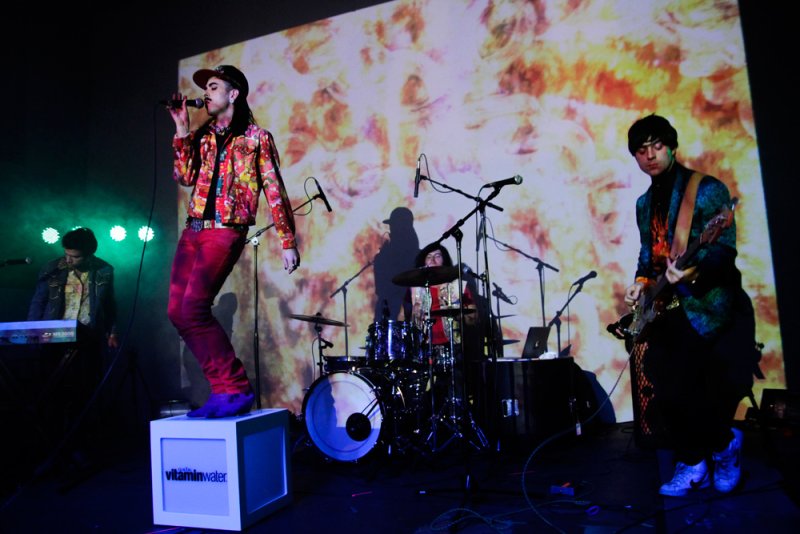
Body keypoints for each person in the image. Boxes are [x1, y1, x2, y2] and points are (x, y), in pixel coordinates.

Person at [623, 114, 758, 497]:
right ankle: (696, 461)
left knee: (698, 388)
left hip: (709, 307)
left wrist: (693, 272)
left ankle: (722, 448)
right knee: (662, 385)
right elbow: (648, 257)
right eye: (641, 150)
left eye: (657, 146)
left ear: (672, 147)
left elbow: (723, 253)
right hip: (666, 309)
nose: (650, 155)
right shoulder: (644, 203)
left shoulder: (706, 189)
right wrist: (640, 284)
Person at [167, 65, 300, 418]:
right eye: (206, 88)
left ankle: (234, 387)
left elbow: (274, 189)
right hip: (193, 230)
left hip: (225, 230)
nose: (206, 93)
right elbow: (184, 176)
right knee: (177, 311)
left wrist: (287, 240)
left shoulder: (257, 138)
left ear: (233, 93)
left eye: (213, 86)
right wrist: (181, 129)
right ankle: (224, 389)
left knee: (194, 308)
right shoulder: (203, 136)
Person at [28, 227, 118, 348]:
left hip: (88, 335)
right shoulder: (52, 268)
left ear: (89, 255)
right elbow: (39, 301)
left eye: (75, 257)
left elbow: (109, 304)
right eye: (66, 254)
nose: (68, 260)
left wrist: (113, 332)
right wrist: (32, 331)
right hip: (54, 333)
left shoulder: (104, 270)